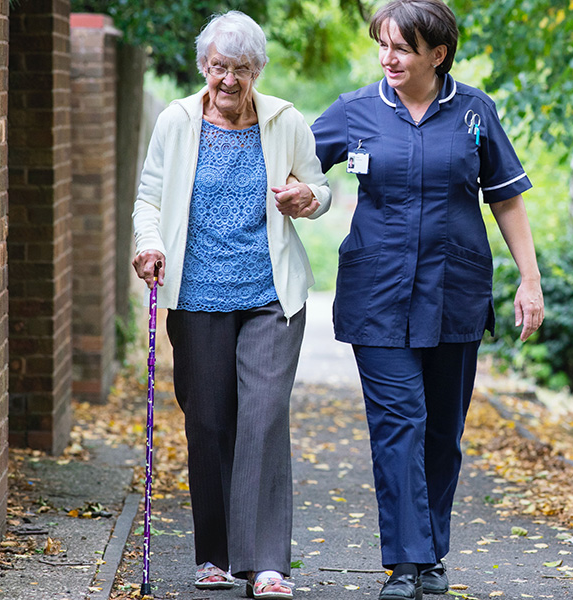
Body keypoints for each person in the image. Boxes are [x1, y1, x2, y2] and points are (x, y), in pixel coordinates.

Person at [310, 1, 544, 598]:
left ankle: (431, 553)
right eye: (383, 46)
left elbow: (507, 197)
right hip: (378, 295)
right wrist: (298, 194)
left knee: (442, 431)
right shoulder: (356, 110)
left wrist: (529, 279)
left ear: (436, 55)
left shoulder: (475, 112)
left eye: (403, 48)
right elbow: (298, 162)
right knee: (399, 424)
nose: (388, 58)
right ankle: (408, 562)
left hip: (454, 292)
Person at [131, 10, 330, 600]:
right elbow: (149, 199)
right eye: (219, 67)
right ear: (203, 67)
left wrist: (306, 199)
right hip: (196, 297)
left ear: (257, 71)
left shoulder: (285, 122)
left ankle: (267, 563)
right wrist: (149, 246)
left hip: (271, 297)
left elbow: (318, 187)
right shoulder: (176, 121)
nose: (228, 81)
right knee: (210, 422)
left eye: (241, 69)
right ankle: (215, 555)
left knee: (263, 418)